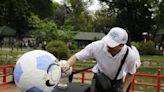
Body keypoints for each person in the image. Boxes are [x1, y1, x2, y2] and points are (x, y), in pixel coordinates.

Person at [61, 27, 140, 92]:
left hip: (117, 81)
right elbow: (77, 57)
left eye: (112, 45)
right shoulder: (97, 46)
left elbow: (131, 73)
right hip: (99, 77)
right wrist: (67, 64)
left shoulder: (130, 55)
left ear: (121, 45)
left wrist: (124, 89)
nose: (108, 46)